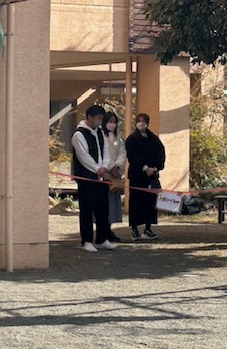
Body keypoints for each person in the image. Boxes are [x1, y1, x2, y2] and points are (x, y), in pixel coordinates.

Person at [71, 105, 116, 252]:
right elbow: (83, 156)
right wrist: (97, 169)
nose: (100, 121)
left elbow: (106, 151)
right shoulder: (79, 134)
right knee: (87, 209)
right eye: (98, 118)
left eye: (101, 119)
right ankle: (87, 240)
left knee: (103, 208)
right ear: (89, 117)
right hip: (86, 178)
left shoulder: (100, 132)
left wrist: (104, 166)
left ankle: (102, 238)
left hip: (101, 178)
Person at [125, 112, 165, 241]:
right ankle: (134, 230)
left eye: (144, 121)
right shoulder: (131, 139)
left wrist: (155, 168)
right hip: (137, 176)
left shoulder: (154, 139)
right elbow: (132, 156)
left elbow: (161, 153)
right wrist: (144, 167)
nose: (141, 123)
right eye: (139, 121)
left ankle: (148, 229)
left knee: (150, 203)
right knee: (136, 202)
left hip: (151, 177)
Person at [103, 111, 126, 242]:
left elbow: (122, 153)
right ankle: (103, 230)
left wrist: (117, 166)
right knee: (104, 204)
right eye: (109, 121)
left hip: (115, 176)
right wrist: (111, 167)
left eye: (114, 122)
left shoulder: (119, 139)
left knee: (113, 205)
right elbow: (103, 154)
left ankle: (109, 229)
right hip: (104, 173)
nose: (112, 124)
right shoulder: (101, 137)